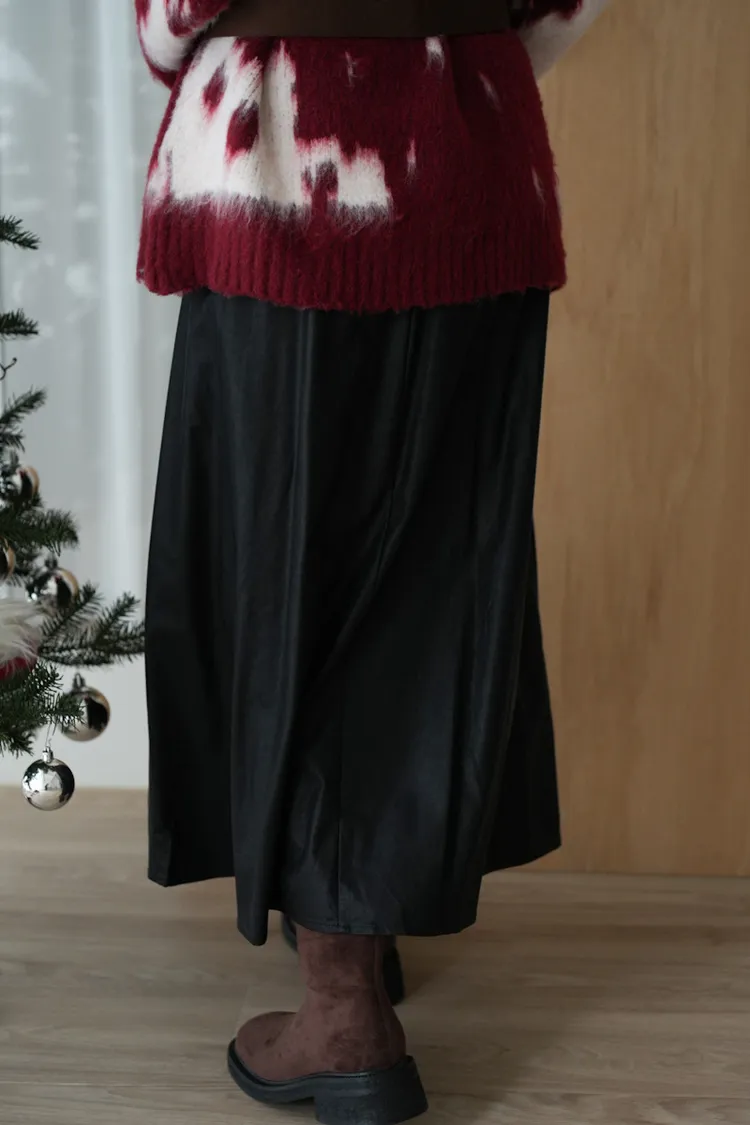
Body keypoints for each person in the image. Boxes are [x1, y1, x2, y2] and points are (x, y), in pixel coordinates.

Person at [135, 1, 610, 1121]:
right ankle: (356, 907)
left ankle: (344, 1011)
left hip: (285, 164)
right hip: (468, 152)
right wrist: (438, 48)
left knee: (281, 569)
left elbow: (167, 21)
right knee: (434, 568)